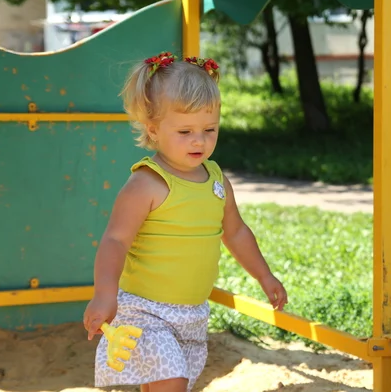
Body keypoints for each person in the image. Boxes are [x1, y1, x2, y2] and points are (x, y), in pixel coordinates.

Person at [83, 52, 288, 392]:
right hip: (145, 313)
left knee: (168, 385)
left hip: (192, 313)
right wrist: (105, 294)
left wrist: (264, 276)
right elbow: (115, 240)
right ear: (153, 130)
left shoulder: (216, 179)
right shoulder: (148, 183)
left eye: (210, 129)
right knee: (172, 384)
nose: (199, 140)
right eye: (185, 131)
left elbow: (235, 232)